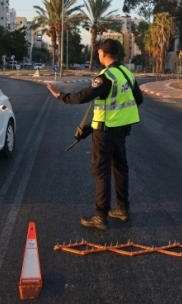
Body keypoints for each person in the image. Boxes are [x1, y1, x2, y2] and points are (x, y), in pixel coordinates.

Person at [47, 39, 143, 230]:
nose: (98, 54)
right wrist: (119, 114)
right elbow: (138, 99)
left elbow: (83, 96)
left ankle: (100, 216)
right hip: (121, 131)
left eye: (99, 52)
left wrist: (61, 96)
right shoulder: (126, 73)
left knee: (101, 171)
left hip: (105, 133)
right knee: (120, 169)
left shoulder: (106, 76)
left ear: (104, 54)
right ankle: (122, 209)